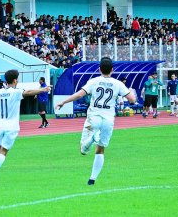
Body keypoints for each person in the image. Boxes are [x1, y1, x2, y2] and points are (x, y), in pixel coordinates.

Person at [55, 57, 135, 185]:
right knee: (100, 149)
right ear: (112, 70)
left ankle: (92, 138)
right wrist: (130, 91)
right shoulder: (118, 83)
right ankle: (92, 179)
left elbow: (80, 94)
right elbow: (132, 99)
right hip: (108, 120)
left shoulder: (94, 81)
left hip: (94, 118)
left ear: (99, 69)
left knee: (83, 150)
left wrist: (64, 101)